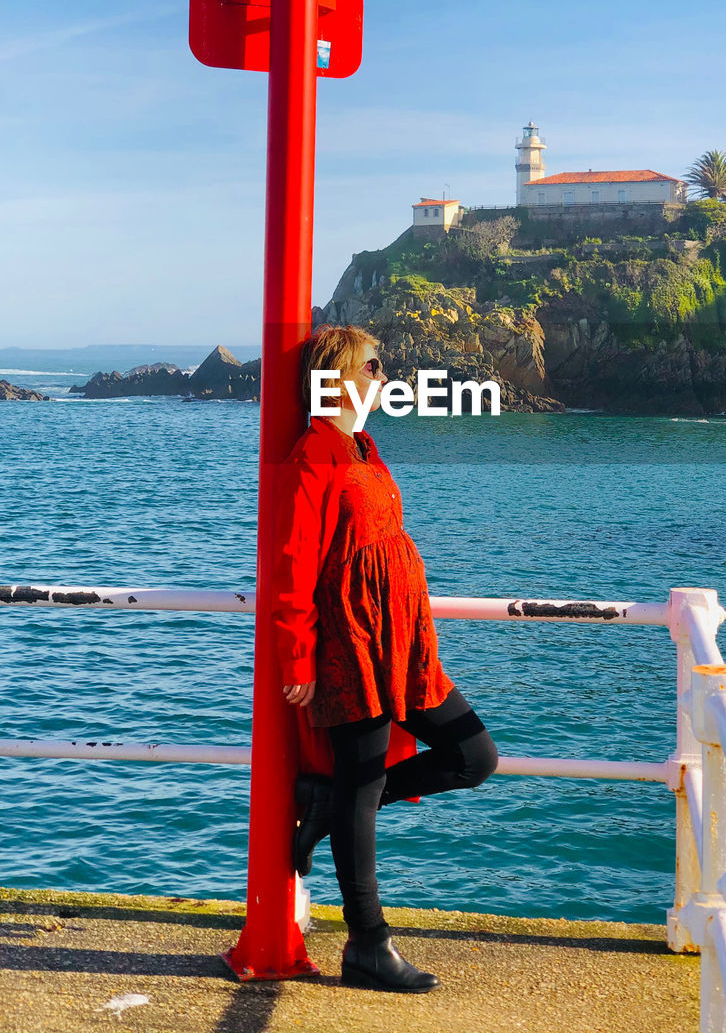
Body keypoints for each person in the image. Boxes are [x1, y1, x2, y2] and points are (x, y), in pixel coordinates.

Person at [271, 323, 499, 993]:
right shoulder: (315, 453)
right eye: (372, 365)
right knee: (362, 784)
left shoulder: (362, 446)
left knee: (473, 756)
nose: (383, 376)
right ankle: (368, 945)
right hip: (353, 641)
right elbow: (292, 566)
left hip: (403, 643)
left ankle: (325, 806)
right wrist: (298, 661)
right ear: (337, 376)